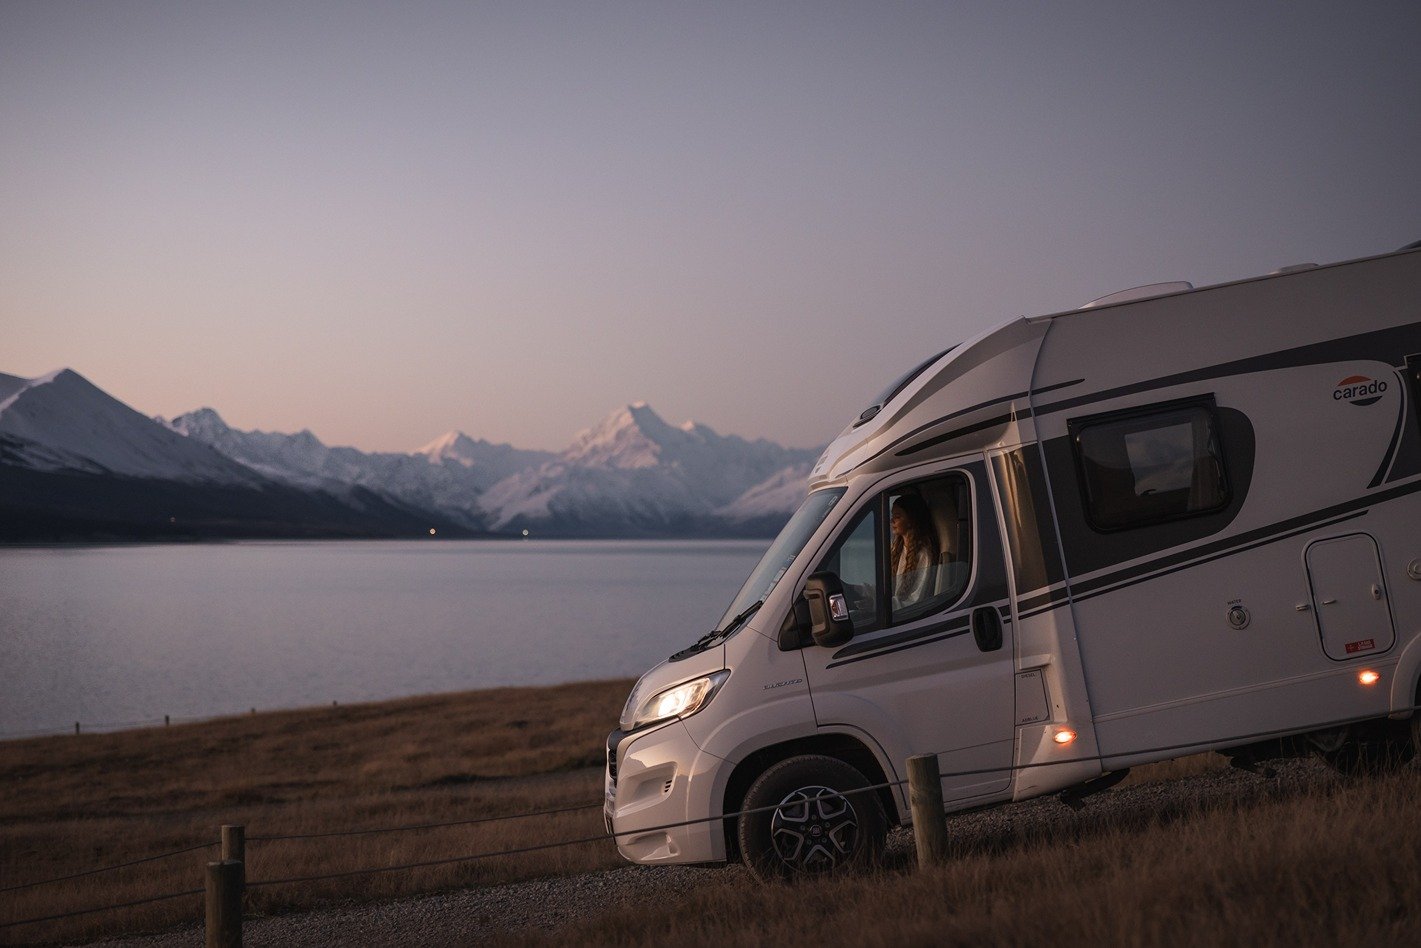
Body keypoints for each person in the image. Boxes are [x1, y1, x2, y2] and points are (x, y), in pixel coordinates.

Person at [889, 493, 938, 610]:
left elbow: (915, 602)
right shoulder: (897, 549)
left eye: (897, 516)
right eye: (892, 515)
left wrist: (878, 605)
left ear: (911, 520)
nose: (892, 520)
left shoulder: (923, 555)